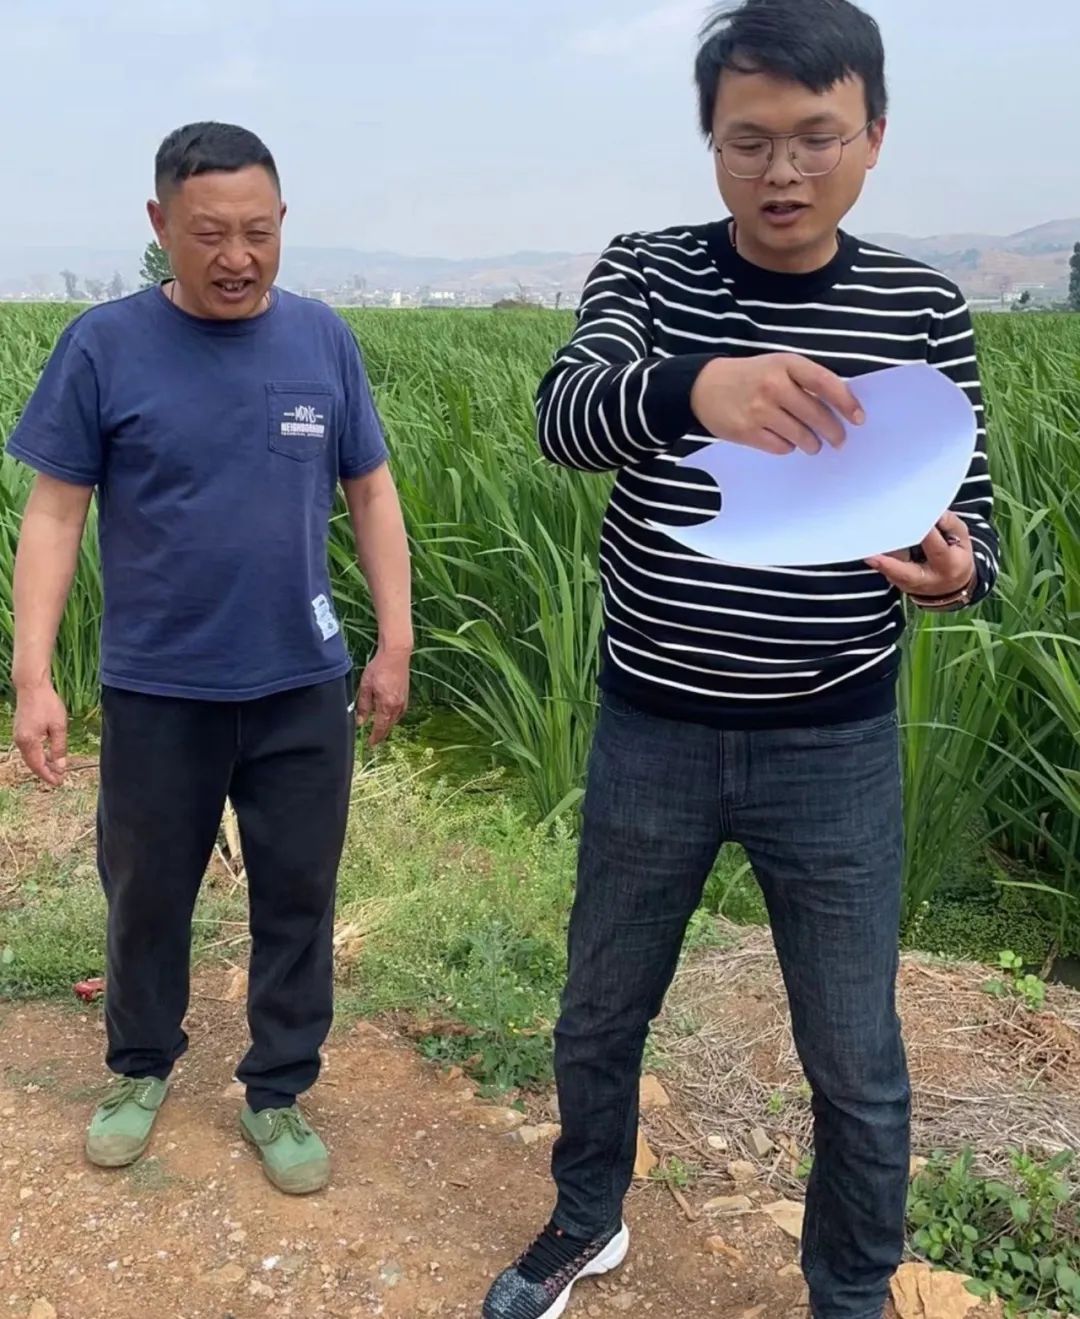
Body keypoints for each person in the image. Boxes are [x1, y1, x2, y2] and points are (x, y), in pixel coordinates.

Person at [484, 2, 998, 1316]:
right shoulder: (650, 275)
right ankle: (587, 1218)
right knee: (602, 1006)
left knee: (854, 1052)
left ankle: (851, 1289)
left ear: (873, 135)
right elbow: (564, 417)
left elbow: (971, 516)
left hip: (834, 741)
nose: (782, 170)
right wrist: (694, 385)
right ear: (711, 140)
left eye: (816, 137)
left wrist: (957, 572)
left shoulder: (921, 306)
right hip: (652, 726)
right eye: (748, 139)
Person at [7, 122, 413, 1196]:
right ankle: (140, 1066)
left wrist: (395, 638)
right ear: (160, 225)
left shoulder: (321, 339)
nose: (238, 257)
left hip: (300, 682)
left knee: (298, 893)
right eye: (210, 234)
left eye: (259, 232)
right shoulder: (104, 346)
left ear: (283, 224)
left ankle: (277, 1087)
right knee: (145, 893)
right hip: (158, 687)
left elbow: (371, 489)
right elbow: (54, 513)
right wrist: (34, 676)